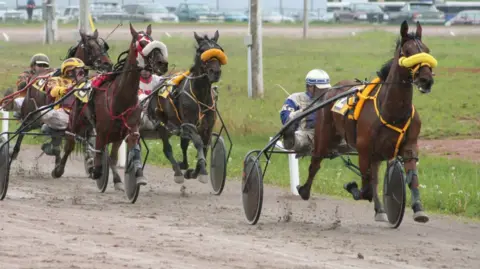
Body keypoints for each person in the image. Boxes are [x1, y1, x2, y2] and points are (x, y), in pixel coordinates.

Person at [39, 57, 87, 156]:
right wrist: (67, 89)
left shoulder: (86, 83)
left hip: (82, 116)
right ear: (69, 71)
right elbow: (52, 91)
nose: (82, 73)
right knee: (43, 111)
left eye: (82, 70)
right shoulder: (57, 80)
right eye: (79, 70)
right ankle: (51, 132)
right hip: (63, 114)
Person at [280, 69, 333, 154]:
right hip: (307, 134)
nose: (324, 91)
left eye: (326, 89)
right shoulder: (295, 98)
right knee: (299, 137)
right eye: (320, 89)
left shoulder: (332, 99)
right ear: (310, 87)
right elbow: (285, 118)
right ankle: (290, 141)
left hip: (329, 134)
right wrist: (303, 112)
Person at [10, 53, 55, 118]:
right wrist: (29, 80)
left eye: (45, 65)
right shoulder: (27, 74)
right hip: (28, 100)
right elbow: (21, 84)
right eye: (40, 65)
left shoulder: (52, 74)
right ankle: (12, 106)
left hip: (46, 101)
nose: (42, 67)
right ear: (33, 66)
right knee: (21, 100)